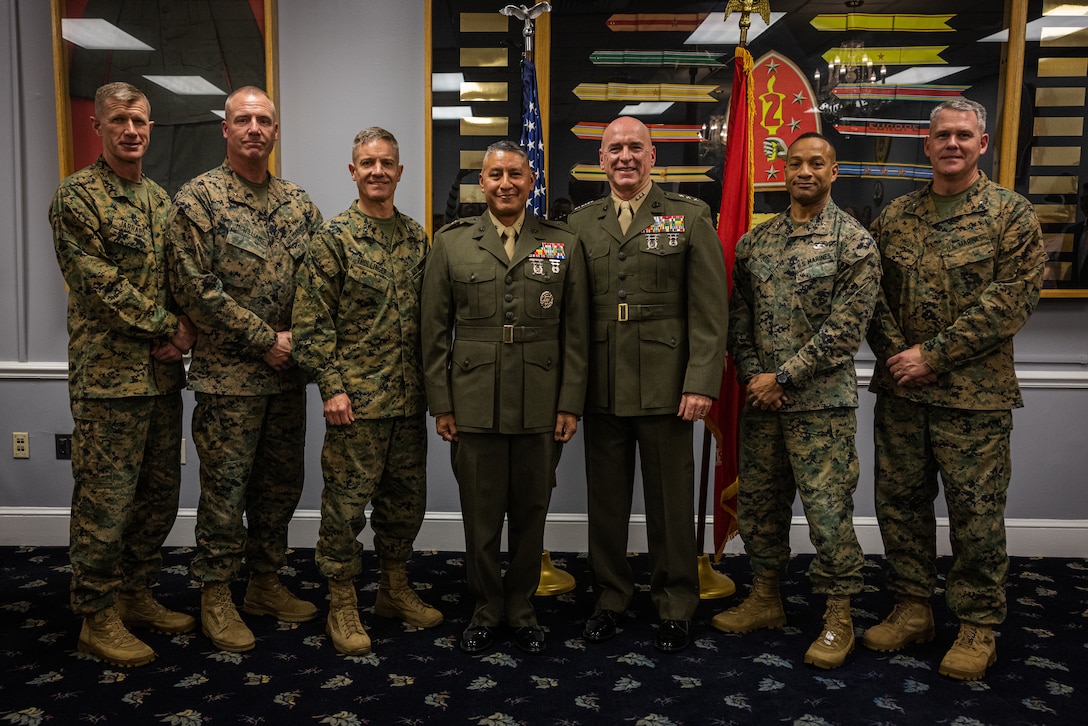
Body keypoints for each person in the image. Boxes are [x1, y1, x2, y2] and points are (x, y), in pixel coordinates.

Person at [864, 98, 1045, 680]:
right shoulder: (896, 217)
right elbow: (872, 296)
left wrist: (931, 356)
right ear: (928, 144)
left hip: (975, 399)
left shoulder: (1010, 215)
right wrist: (899, 358)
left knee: (976, 513)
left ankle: (976, 624)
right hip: (902, 396)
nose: (952, 144)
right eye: (942, 135)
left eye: (964, 135)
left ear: (982, 144)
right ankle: (913, 606)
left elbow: (1010, 301)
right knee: (900, 507)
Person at [709, 132, 881, 670]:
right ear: (782, 171)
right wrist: (757, 374)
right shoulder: (756, 243)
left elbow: (845, 330)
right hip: (762, 404)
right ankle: (765, 597)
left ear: (835, 172)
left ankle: (838, 615)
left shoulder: (854, 243)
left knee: (828, 515)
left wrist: (783, 376)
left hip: (820, 406)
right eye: (795, 162)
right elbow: (738, 318)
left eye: (816, 163)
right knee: (760, 505)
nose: (804, 171)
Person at [166, 86, 323, 652]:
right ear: (225, 130)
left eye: (263, 120)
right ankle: (215, 595)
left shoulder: (300, 204)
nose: (254, 128)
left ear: (275, 132)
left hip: (286, 379)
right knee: (225, 495)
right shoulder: (197, 200)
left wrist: (294, 343)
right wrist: (264, 340)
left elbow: (318, 285)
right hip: (228, 381)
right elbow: (194, 287)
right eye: (243, 120)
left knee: (279, 488)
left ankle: (264, 583)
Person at [49, 81, 198, 668]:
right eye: (119, 121)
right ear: (99, 127)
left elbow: (181, 278)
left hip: (160, 381)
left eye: (139, 120)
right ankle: (96, 615)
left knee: (157, 499)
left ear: (151, 127)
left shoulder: (160, 201)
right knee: (104, 503)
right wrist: (170, 327)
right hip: (109, 384)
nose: (130, 130)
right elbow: (100, 287)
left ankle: (136, 594)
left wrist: (185, 324)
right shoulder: (77, 198)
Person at [566, 116, 728, 653]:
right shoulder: (581, 225)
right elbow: (570, 315)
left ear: (653, 156)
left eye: (636, 147)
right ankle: (611, 599)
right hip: (603, 386)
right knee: (606, 505)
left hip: (667, 388)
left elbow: (709, 310)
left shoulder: (687, 217)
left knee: (670, 504)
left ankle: (675, 604)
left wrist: (701, 381)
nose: (625, 157)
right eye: (615, 149)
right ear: (601, 159)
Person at [421, 140, 589, 655]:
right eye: (495, 175)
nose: (505, 184)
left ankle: (520, 607)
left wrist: (569, 403)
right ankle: (486, 606)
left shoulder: (561, 243)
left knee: (532, 510)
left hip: (540, 401)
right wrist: (441, 404)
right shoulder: (451, 244)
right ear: (482, 182)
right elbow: (432, 332)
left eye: (515, 174)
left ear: (531, 180)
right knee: (481, 512)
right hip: (473, 401)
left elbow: (576, 332)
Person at [292, 127, 441, 656]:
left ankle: (394, 590)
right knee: (345, 510)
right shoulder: (332, 239)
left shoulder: (417, 237)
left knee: (405, 504)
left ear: (400, 172)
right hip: (355, 405)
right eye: (367, 162)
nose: (378, 170)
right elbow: (312, 325)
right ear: (352, 172)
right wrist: (331, 389)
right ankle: (342, 602)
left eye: (387, 162)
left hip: (407, 402)